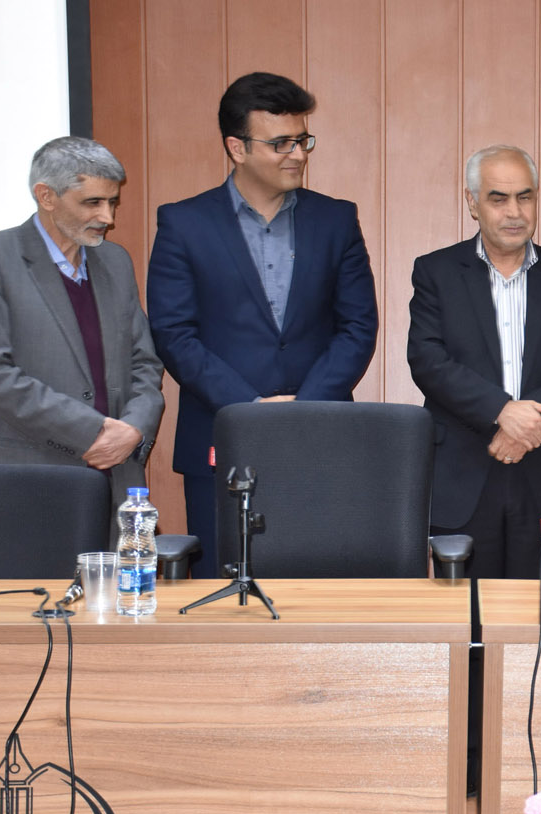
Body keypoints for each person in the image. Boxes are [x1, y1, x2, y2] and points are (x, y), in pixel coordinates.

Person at [147, 72, 379, 575]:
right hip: (221, 436)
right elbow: (174, 334)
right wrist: (249, 409)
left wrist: (305, 408)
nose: (297, 154)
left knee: (321, 590)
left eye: (302, 140)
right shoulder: (184, 223)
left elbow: (358, 326)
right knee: (222, 593)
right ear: (237, 147)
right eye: (280, 144)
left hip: (322, 435)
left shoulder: (336, 219)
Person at [407, 144, 541, 579]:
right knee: (462, 612)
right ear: (472, 203)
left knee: (539, 608)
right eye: (498, 198)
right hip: (463, 474)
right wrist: (501, 412)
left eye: (525, 197)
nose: (514, 212)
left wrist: (529, 425)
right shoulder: (436, 272)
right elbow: (426, 358)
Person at [0, 136, 163, 514]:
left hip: (116, 480)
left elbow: (144, 363)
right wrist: (92, 431)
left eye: (112, 202)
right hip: (26, 481)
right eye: (92, 202)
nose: (108, 217)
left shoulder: (115, 261)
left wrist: (133, 430)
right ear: (46, 196)